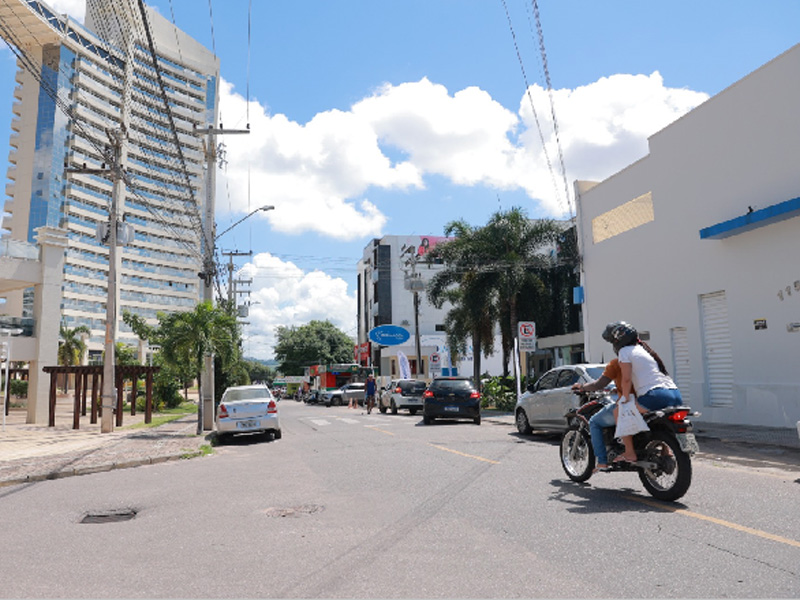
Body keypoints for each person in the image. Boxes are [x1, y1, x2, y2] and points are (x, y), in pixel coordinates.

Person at [608, 322, 683, 463]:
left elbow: (626, 379)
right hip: (675, 394)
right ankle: (666, 449)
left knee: (619, 411)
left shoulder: (625, 351)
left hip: (656, 396)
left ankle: (629, 452)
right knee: (656, 420)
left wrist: (623, 398)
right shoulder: (646, 351)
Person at [572, 323, 632, 472]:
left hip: (629, 402)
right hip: (653, 399)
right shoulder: (646, 359)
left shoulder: (617, 363)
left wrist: (582, 387)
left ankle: (602, 462)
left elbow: (600, 383)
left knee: (594, 422)